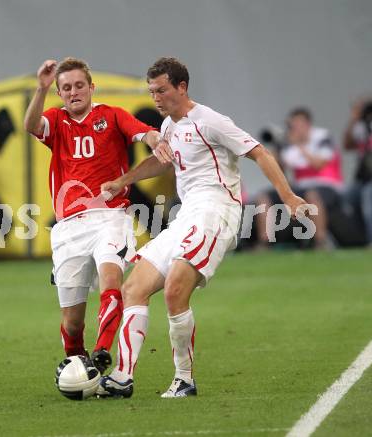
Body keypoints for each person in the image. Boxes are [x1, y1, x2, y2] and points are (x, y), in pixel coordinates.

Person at [97, 57, 307, 398]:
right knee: (133, 287)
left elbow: (260, 153)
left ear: (182, 87)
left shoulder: (210, 121)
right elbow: (159, 161)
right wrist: (121, 181)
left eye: (162, 90)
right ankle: (122, 377)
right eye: (152, 92)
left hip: (217, 212)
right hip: (187, 215)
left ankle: (184, 379)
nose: (156, 98)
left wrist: (289, 196)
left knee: (174, 291)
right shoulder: (168, 127)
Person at [23, 58, 163, 373]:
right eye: (66, 88)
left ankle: (102, 350)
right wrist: (41, 88)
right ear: (59, 93)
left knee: (111, 278)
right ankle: (78, 363)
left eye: (79, 85)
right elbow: (31, 126)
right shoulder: (56, 121)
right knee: (72, 324)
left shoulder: (111, 116)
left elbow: (143, 134)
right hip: (69, 228)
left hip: (111, 217)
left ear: (91, 87)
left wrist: (156, 139)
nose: (74, 92)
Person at [255, 108, 344, 249]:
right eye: (293, 124)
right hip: (300, 186)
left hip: (326, 184)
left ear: (308, 124)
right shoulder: (289, 143)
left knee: (312, 195)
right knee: (263, 198)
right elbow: (279, 171)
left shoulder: (322, 137)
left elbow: (318, 165)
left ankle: (320, 241)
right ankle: (264, 242)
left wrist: (299, 144)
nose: (295, 128)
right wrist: (277, 147)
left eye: (298, 124)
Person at [343, 97, 372, 246]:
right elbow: (347, 144)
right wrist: (354, 119)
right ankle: (358, 239)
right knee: (346, 200)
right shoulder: (360, 127)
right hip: (363, 176)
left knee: (369, 204)